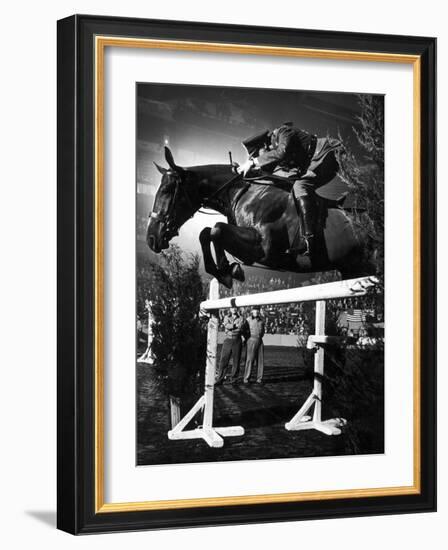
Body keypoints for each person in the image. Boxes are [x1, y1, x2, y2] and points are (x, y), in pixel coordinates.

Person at [238, 122, 343, 257]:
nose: (259, 158)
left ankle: (309, 240)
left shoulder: (283, 132)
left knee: (300, 186)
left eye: (258, 154)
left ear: (264, 145)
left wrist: (253, 162)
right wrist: (241, 172)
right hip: (316, 161)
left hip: (329, 151)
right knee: (296, 188)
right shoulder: (273, 151)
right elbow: (271, 173)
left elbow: (281, 153)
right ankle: (331, 204)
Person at [215, 307, 244, 385]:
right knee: (223, 360)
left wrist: (230, 326)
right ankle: (220, 379)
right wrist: (234, 326)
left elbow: (240, 328)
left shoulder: (241, 318)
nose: (234, 309)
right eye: (232, 308)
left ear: (237, 309)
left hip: (237, 340)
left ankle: (234, 379)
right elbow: (226, 326)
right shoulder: (226, 317)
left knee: (236, 361)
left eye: (235, 308)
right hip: (228, 340)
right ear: (230, 309)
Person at [243, 307, 265, 384]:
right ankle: (246, 378)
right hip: (251, 340)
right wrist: (247, 339)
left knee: (260, 360)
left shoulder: (261, 320)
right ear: (252, 311)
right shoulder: (248, 320)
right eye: (255, 310)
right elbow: (244, 330)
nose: (256, 312)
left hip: (260, 340)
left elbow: (263, 331)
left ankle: (259, 378)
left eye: (257, 310)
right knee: (250, 360)